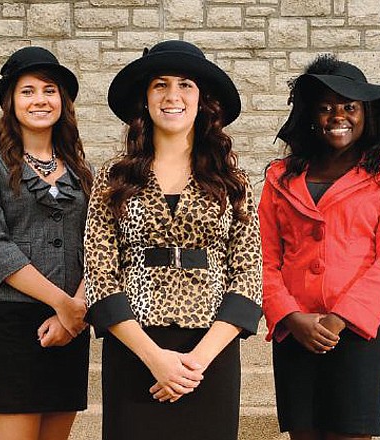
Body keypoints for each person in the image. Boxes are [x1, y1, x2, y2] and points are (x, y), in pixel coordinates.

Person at [83, 40, 263, 440]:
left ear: (204, 101)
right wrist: (155, 360)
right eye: (160, 85)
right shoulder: (114, 178)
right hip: (134, 345)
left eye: (186, 85)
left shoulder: (232, 182)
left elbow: (249, 271)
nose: (173, 96)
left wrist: (195, 362)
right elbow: (98, 272)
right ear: (145, 100)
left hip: (209, 349)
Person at [259, 54, 380, 440]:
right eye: (326, 108)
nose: (337, 116)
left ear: (366, 114)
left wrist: (339, 319)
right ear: (312, 116)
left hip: (358, 332)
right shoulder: (280, 176)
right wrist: (291, 317)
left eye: (349, 107)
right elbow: (261, 257)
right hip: (297, 332)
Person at [0, 46, 92, 440]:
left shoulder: (83, 170)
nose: (40, 100)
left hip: (73, 321)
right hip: (11, 318)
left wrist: (77, 311)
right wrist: (63, 304)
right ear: (10, 102)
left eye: (49, 90)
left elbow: (98, 244)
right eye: (28, 91)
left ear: (63, 101)